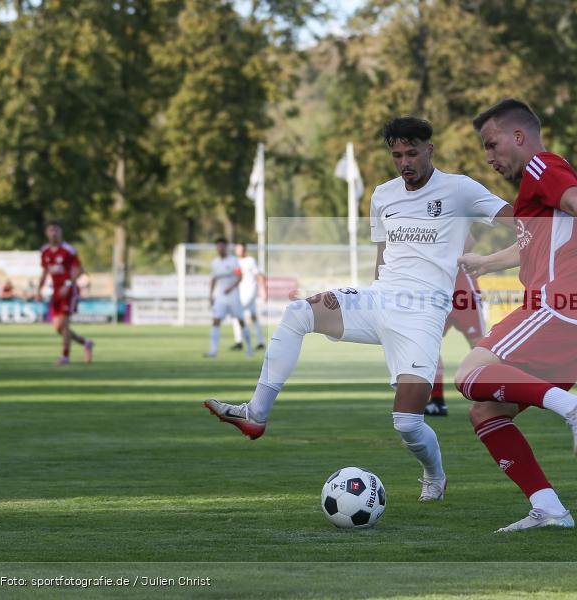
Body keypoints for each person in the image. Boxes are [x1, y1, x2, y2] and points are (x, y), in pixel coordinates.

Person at [205, 116, 512, 501]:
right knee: (299, 312)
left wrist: (490, 261)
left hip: (421, 316)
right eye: (397, 154)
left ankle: (434, 474)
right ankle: (256, 413)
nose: (405, 162)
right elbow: (382, 259)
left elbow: (525, 225)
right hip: (378, 300)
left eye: (412, 153)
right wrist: (356, 299)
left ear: (429, 150)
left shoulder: (460, 189)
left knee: (407, 424)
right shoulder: (383, 195)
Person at [455, 99, 577, 532]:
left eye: (492, 145)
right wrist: (486, 263)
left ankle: (575, 410)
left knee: (468, 374)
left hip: (558, 306)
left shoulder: (543, 166)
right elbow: (533, 246)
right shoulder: (532, 189)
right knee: (486, 412)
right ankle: (549, 509)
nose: (489, 158)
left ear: (518, 136)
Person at [425, 261, 487, 417]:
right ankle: (437, 401)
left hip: (463, 288)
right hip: (437, 290)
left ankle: (491, 396)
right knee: (427, 344)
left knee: (479, 344)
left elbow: (469, 241)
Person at [36, 222, 94, 365]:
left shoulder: (68, 250)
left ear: (60, 232)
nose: (53, 233)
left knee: (64, 324)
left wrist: (68, 284)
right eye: (51, 230)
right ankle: (85, 342)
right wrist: (39, 289)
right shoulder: (45, 251)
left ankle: (65, 356)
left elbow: (80, 270)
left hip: (69, 291)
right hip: (56, 292)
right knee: (58, 327)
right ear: (46, 233)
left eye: (56, 230)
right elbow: (45, 272)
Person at [204, 237, 253, 358]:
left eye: (222, 246)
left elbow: (240, 276)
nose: (220, 248)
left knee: (241, 322)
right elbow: (213, 279)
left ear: (225, 247)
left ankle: (250, 349)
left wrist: (231, 288)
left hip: (233, 297)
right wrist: (210, 296)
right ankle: (213, 351)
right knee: (215, 321)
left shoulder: (233, 261)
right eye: (218, 246)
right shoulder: (214, 263)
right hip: (221, 297)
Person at [230, 242, 267, 351]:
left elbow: (259, 275)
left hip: (250, 292)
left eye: (241, 249)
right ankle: (260, 342)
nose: (239, 251)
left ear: (245, 250)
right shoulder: (234, 262)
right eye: (238, 249)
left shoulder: (250, 261)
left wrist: (262, 290)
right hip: (239, 293)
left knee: (236, 313)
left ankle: (239, 341)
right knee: (253, 316)